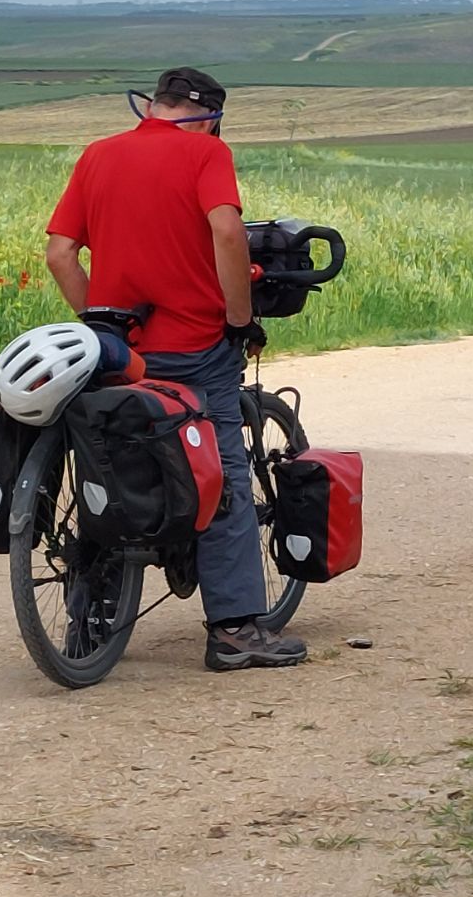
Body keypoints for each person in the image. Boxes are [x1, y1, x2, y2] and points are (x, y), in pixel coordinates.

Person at [44, 66, 308, 672]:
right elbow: (227, 231)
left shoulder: (98, 154)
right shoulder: (207, 153)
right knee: (224, 471)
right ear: (210, 117)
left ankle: (94, 615)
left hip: (120, 353)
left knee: (113, 461)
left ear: (151, 106)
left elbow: (59, 255)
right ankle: (235, 630)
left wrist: (100, 326)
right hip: (194, 348)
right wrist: (237, 317)